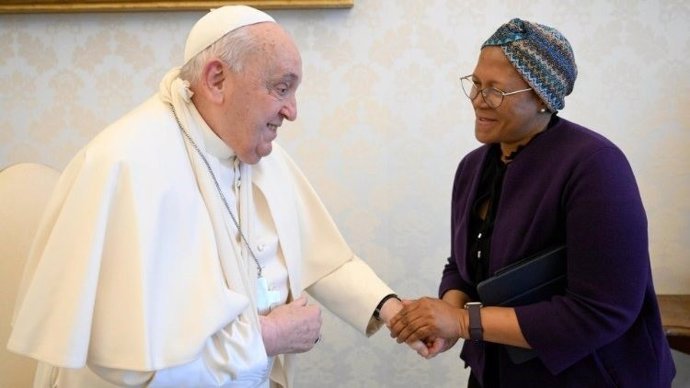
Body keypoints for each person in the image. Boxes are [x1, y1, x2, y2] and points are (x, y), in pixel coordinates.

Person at [7, 5, 423, 387]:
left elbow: (323, 254)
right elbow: (131, 362)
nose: (292, 111)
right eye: (281, 88)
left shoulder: (254, 149)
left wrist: (392, 310)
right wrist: (268, 337)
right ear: (216, 79)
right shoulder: (126, 164)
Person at [389, 18, 676, 387]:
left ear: (542, 97)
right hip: (496, 373)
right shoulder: (473, 167)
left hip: (590, 376)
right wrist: (448, 318)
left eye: (495, 91)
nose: (478, 101)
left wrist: (463, 322)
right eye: (475, 84)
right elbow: (463, 267)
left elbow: (602, 311)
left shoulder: (597, 166)